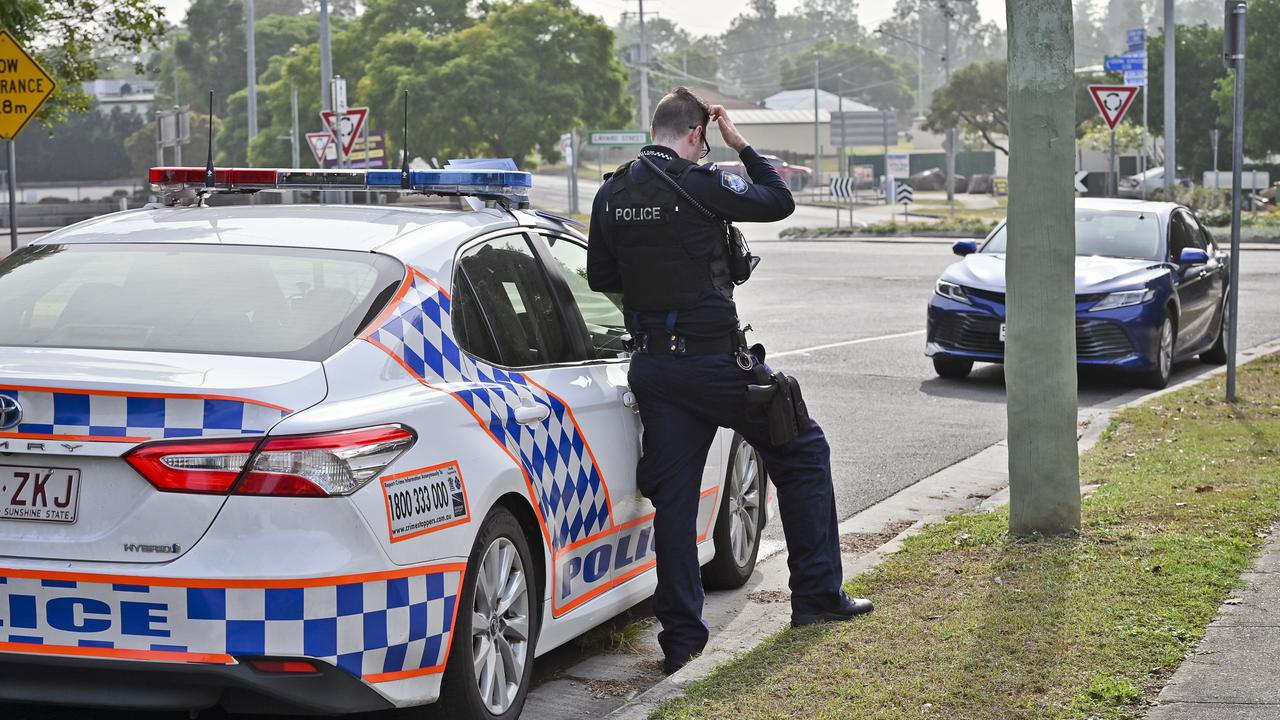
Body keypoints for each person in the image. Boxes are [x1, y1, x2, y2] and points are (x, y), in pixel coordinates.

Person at [586, 87, 873, 675]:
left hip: (655, 369)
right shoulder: (697, 183)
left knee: (674, 501)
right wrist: (741, 144)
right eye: (708, 137)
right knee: (803, 453)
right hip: (716, 364)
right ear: (697, 133)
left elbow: (599, 274)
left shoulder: (612, 191)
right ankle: (818, 597)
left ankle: (683, 642)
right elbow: (778, 201)